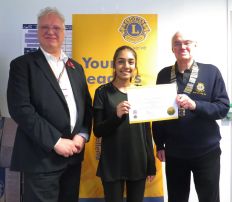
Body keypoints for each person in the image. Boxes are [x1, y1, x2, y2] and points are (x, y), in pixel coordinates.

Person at [7, 7, 92, 202]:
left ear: (64, 33)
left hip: (73, 157)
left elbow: (86, 107)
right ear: (37, 31)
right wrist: (56, 141)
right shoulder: (22, 65)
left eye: (56, 27)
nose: (50, 31)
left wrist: (82, 135)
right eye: (44, 27)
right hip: (40, 159)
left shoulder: (76, 67)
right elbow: (21, 110)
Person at [152, 31, 230, 202]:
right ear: (172, 48)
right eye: (178, 43)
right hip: (174, 153)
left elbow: (223, 108)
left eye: (187, 42)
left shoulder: (211, 72)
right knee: (177, 199)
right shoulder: (164, 74)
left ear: (195, 45)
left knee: (209, 199)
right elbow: (158, 114)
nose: (182, 47)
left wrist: (195, 105)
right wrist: (159, 144)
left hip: (206, 152)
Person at [93, 45, 156, 202]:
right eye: (121, 61)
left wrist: (151, 164)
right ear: (114, 64)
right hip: (112, 162)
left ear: (135, 66)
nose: (126, 66)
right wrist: (116, 115)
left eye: (130, 62)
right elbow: (98, 130)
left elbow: (147, 132)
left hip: (138, 161)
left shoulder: (142, 93)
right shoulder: (102, 92)